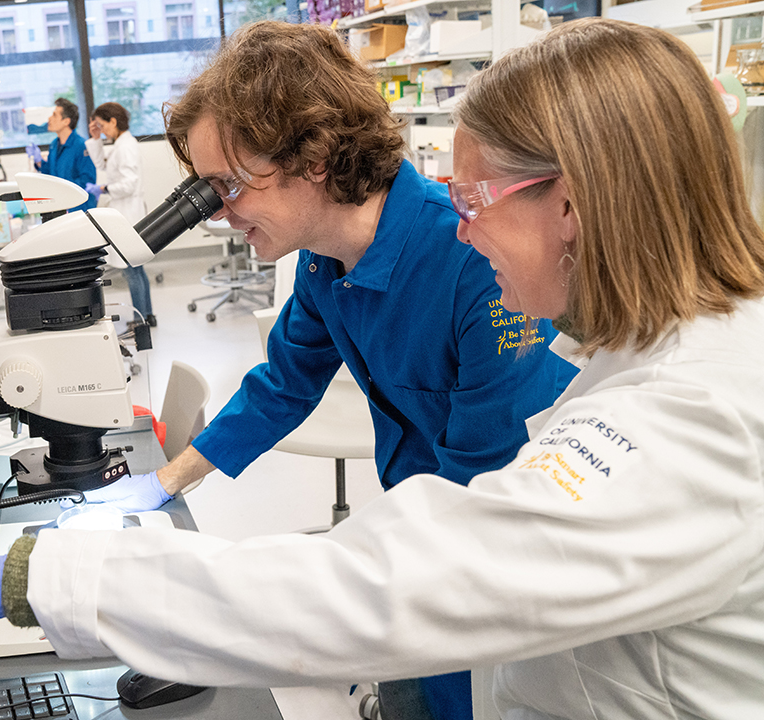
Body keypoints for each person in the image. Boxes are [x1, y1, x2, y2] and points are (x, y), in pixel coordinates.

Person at [0, 17, 764, 719]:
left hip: (470, 587)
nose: (468, 223)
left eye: (477, 196)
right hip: (483, 592)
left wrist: (35, 578)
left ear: (572, 205)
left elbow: (426, 570)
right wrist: (161, 483)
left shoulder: (692, 423)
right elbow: (290, 385)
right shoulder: (638, 351)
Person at [31, 21, 575, 719]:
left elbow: (482, 497)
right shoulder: (325, 261)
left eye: (226, 186)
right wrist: (163, 481)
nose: (218, 216)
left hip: (506, 550)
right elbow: (284, 383)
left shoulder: (474, 262)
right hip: (424, 524)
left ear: (314, 156)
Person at [86, 102, 156, 327]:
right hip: (127, 210)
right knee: (137, 268)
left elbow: (129, 183)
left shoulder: (126, 146)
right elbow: (103, 164)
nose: (102, 129)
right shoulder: (121, 144)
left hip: (129, 212)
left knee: (132, 270)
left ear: (113, 122)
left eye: (102, 125)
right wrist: (96, 139)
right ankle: (148, 315)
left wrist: (105, 189)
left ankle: (140, 319)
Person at [26, 98, 96, 213]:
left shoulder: (82, 146)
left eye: (54, 115)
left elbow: (87, 181)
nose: (49, 118)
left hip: (79, 209)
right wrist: (39, 161)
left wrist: (64, 195)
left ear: (66, 121)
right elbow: (52, 175)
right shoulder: (54, 145)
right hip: (60, 207)